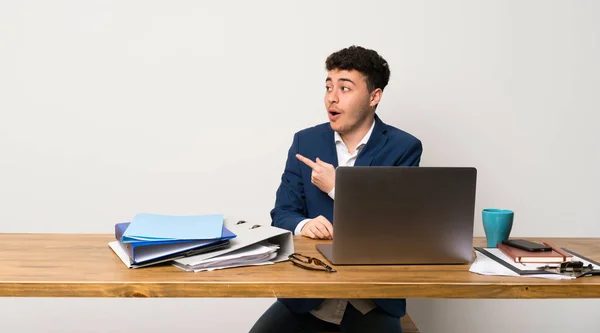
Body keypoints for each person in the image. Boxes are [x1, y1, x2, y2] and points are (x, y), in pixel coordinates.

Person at [249, 45, 423, 333]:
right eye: (329, 86)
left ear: (374, 96)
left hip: (371, 298)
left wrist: (337, 188)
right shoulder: (306, 142)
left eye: (345, 88)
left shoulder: (403, 148)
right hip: (310, 296)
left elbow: (399, 226)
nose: (332, 96)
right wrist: (304, 224)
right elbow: (282, 213)